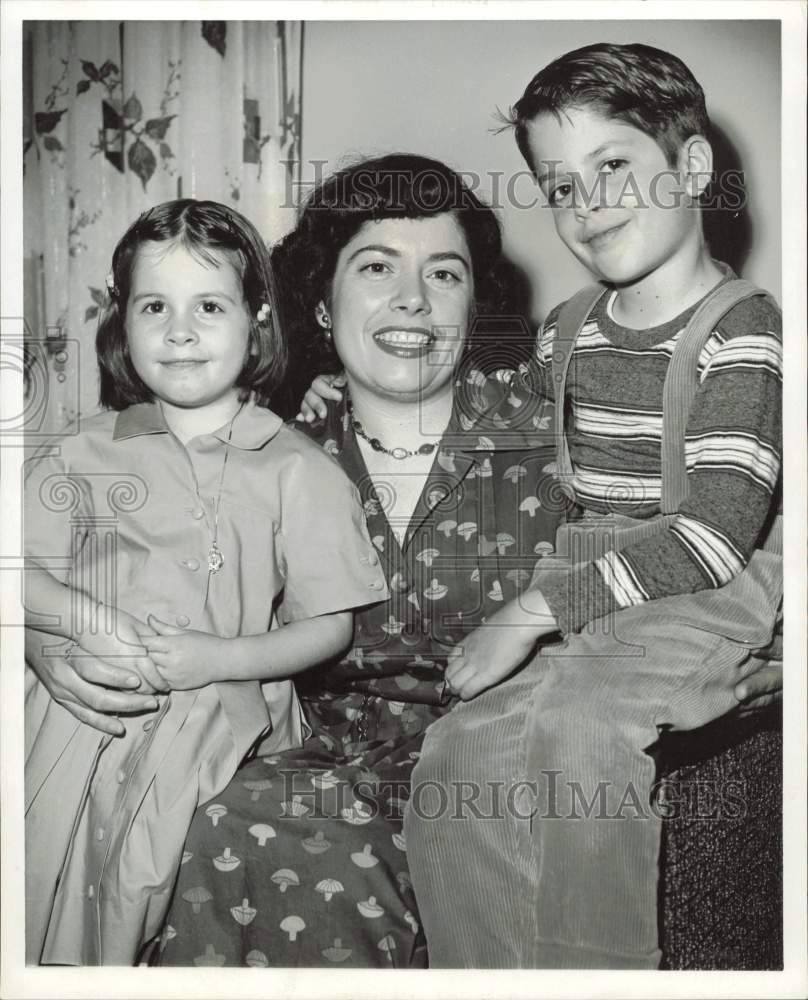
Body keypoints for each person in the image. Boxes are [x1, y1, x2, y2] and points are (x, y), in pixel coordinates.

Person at [402, 43, 783, 968]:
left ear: (691, 166)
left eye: (615, 167)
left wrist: (527, 615)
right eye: (561, 187)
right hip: (596, 584)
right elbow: (502, 418)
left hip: (700, 581)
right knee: (454, 760)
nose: (589, 205)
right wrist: (376, 389)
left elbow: (711, 534)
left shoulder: (743, 329)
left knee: (579, 737)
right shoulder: (568, 328)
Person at [150, 154, 561, 967]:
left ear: (475, 306)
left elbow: (682, 541)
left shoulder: (553, 436)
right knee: (222, 823)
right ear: (321, 304)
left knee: (340, 859)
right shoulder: (271, 457)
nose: (413, 298)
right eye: (377, 267)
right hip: (326, 769)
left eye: (445, 274)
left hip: (511, 777)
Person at [23, 199, 388, 965]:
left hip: (217, 701)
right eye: (154, 305)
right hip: (77, 689)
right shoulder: (81, 450)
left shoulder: (296, 467)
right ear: (123, 323)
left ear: (257, 320)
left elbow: (330, 627)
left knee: (135, 846)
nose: (179, 330)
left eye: (210, 306)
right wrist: (81, 621)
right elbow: (18, 576)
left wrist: (216, 658)